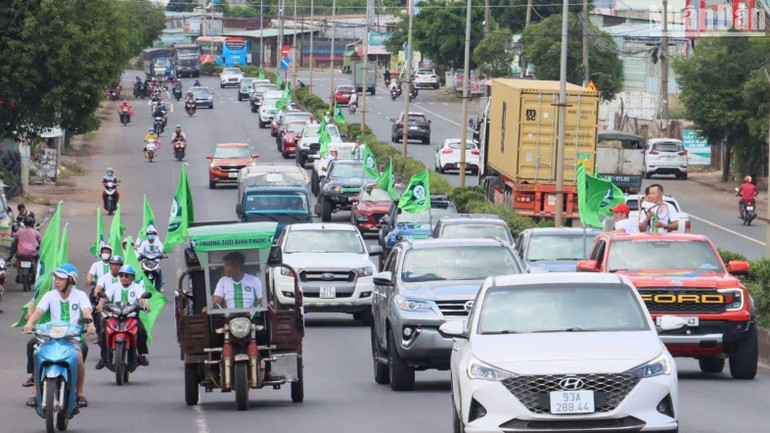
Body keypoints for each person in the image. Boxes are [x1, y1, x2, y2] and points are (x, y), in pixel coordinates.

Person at [23, 264, 95, 408]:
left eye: (61, 279)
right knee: (38, 354)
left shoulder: (80, 295)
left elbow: (87, 312)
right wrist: (30, 323)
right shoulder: (50, 295)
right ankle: (35, 393)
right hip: (51, 337)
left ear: (71, 280)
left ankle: (79, 393)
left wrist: (91, 325)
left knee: (78, 357)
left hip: (72, 338)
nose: (56, 281)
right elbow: (39, 311)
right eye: (56, 278)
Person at [94, 264, 150, 369]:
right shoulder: (114, 286)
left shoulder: (137, 287)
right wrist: (100, 304)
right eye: (121, 275)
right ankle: (104, 358)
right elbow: (105, 297)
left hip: (132, 317)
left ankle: (140, 355)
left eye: (126, 276)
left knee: (142, 332)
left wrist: (145, 305)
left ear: (132, 277)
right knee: (104, 334)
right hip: (115, 316)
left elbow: (141, 298)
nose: (123, 278)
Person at [14, 216, 41, 283]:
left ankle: (18, 274)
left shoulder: (20, 231)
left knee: (18, 260)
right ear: (32, 223)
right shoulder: (35, 232)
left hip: (21, 252)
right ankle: (35, 273)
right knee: (37, 260)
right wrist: (39, 246)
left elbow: (15, 237)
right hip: (32, 253)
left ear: (25, 223)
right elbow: (40, 240)